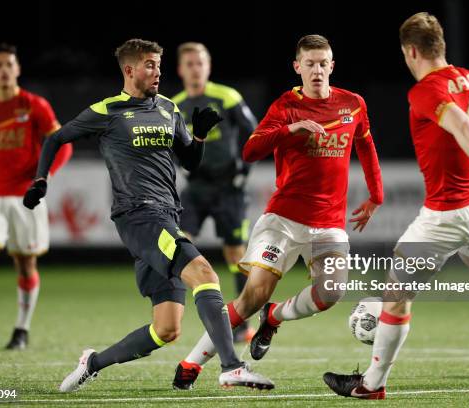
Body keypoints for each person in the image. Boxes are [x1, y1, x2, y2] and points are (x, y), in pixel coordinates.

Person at [323, 12, 469, 400]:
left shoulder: (426, 90)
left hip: (448, 213)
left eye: (405, 54)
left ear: (411, 51)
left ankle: (371, 385)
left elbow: (464, 128)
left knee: (397, 292)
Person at [22, 38, 273, 392]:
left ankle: (92, 363)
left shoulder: (169, 108)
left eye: (158, 64)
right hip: (138, 216)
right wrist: (41, 179)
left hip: (167, 215)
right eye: (150, 65)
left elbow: (189, 162)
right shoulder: (107, 111)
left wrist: (198, 136)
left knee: (166, 329)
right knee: (204, 274)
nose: (158, 72)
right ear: (129, 70)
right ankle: (232, 367)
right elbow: (55, 138)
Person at [172, 34, 384, 390]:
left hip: (329, 224)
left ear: (332, 66)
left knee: (331, 293)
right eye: (310, 64)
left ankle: (275, 315)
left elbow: (365, 145)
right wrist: (290, 129)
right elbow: (252, 149)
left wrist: (376, 196)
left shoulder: (353, 104)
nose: (317, 70)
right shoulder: (286, 105)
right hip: (283, 220)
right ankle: (191, 363)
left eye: (323, 64)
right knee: (252, 296)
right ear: (297, 67)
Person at [0, 43, 73, 351]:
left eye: (10, 64)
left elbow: (64, 146)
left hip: (25, 198)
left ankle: (21, 329)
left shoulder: (35, 105)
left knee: (25, 264)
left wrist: (42, 178)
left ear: (17, 69)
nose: (5, 69)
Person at [172, 42, 258, 343]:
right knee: (179, 246)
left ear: (208, 67)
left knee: (236, 253)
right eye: (189, 64)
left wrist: (242, 172)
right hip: (196, 188)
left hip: (228, 188)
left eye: (200, 63)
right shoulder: (174, 105)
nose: (195, 68)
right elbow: (169, 147)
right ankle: (173, 315)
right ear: (181, 69)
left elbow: (254, 132)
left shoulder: (226, 96)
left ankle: (242, 322)